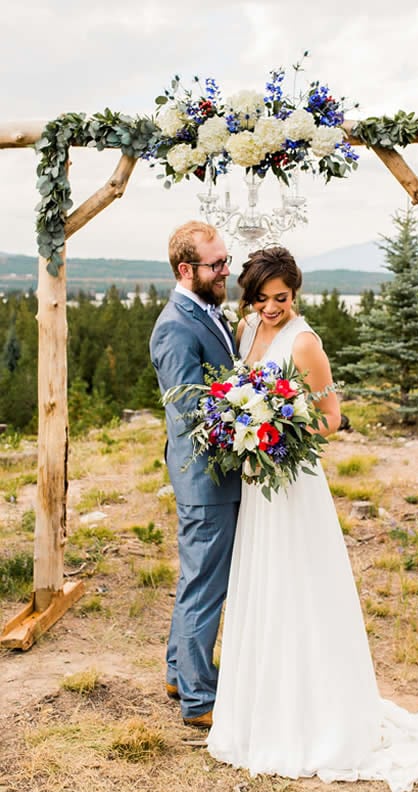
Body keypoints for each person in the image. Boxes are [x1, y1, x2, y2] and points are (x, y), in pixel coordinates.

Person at [206, 246, 418, 792]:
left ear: (294, 292)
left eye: (280, 297)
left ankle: (315, 719)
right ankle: (263, 711)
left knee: (299, 589)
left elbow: (330, 419)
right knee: (263, 589)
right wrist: (238, 422)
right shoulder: (249, 328)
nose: (271, 307)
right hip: (258, 482)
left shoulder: (304, 342)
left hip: (292, 482)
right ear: (249, 297)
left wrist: (279, 431)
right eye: (261, 298)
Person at [149, 221, 241, 728]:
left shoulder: (208, 312)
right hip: (205, 476)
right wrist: (254, 419)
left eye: (226, 260)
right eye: (217, 264)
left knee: (198, 581)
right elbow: (188, 411)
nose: (226, 270)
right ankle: (199, 699)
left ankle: (176, 672)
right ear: (187, 270)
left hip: (220, 474)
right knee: (205, 586)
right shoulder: (174, 326)